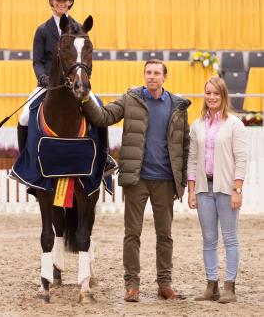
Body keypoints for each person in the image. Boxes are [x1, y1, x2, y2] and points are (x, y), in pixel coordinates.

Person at [80, 59, 191, 302]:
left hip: (165, 180)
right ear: (144, 75)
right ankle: (132, 285)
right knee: (132, 234)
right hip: (136, 178)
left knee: (165, 235)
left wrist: (180, 181)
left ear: (165, 77)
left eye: (156, 73)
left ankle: (165, 284)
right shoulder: (130, 98)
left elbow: (184, 144)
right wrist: (87, 98)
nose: (152, 76)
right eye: (148, 72)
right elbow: (105, 116)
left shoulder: (177, 105)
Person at [17, 0, 117, 176]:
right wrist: (43, 78)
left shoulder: (80, 28)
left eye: (65, 0)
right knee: (25, 116)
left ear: (71, 2)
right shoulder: (43, 30)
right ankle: (25, 159)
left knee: (98, 108)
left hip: (76, 83)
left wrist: (85, 78)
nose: (61, 3)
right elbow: (37, 61)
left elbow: (86, 57)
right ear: (51, 1)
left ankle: (105, 157)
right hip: (48, 84)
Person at [187, 76, 247, 303]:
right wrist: (192, 190)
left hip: (226, 188)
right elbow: (192, 159)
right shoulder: (197, 125)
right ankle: (211, 285)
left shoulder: (234, 124)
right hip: (204, 189)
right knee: (209, 238)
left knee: (230, 238)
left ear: (223, 96)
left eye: (216, 94)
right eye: (208, 93)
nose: (212, 97)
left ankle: (229, 287)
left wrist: (237, 189)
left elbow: (241, 158)